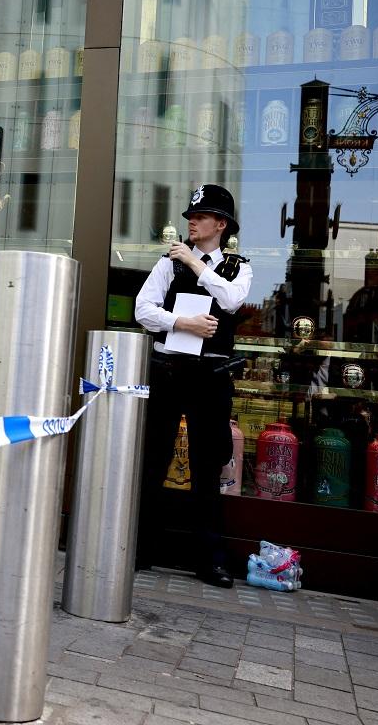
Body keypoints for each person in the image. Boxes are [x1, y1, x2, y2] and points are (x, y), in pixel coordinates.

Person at [134, 184, 252, 589]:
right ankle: (141, 547)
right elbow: (143, 310)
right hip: (169, 372)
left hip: (212, 379)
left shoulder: (238, 268)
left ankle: (210, 559)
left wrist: (198, 264)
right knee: (153, 459)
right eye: (189, 218)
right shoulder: (169, 264)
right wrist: (181, 323)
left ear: (220, 224)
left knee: (207, 467)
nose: (192, 223)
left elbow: (233, 301)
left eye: (199, 217)